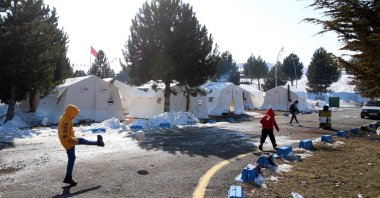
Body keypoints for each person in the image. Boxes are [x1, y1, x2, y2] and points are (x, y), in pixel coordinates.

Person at [58, 104, 105, 186]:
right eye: (75, 114)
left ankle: (98, 143)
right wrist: (74, 140)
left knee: (75, 153)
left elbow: (65, 133)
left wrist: (73, 138)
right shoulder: (66, 120)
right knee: (72, 157)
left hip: (68, 141)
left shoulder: (65, 117)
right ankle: (68, 177)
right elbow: (64, 135)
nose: (75, 116)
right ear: (71, 112)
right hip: (68, 142)